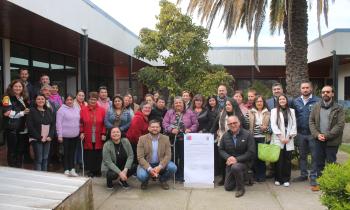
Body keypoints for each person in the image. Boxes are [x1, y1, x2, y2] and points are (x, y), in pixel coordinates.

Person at [309, 85, 345, 191]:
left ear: (332, 94)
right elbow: (311, 121)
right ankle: (320, 183)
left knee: (331, 162)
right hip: (318, 140)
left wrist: (326, 135)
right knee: (319, 163)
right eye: (323, 92)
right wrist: (317, 135)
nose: (325, 94)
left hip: (332, 141)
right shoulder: (316, 106)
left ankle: (331, 185)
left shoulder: (339, 108)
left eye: (328, 92)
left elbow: (340, 125)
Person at [211, 98, 247, 185]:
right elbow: (214, 127)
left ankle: (237, 179)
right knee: (222, 162)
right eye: (226, 105)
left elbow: (246, 129)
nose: (227, 106)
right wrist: (214, 134)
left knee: (234, 162)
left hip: (236, 143)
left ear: (234, 105)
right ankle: (224, 178)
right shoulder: (221, 115)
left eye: (229, 105)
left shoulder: (239, 116)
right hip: (222, 142)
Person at [163, 96, 198, 182]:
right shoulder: (169, 112)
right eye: (176, 103)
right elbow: (164, 123)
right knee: (173, 157)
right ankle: (174, 173)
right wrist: (171, 129)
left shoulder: (190, 112)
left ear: (183, 104)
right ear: (173, 104)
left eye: (180, 102)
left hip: (185, 140)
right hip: (172, 139)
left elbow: (195, 124)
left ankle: (181, 174)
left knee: (183, 157)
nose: (178, 104)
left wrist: (190, 129)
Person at [219, 116, 255, 198]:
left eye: (234, 123)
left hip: (244, 162)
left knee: (236, 167)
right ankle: (243, 177)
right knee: (228, 187)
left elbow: (251, 152)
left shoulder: (248, 134)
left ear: (239, 123)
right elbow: (221, 149)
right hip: (230, 162)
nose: (233, 125)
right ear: (228, 125)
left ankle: (240, 188)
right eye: (230, 124)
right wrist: (228, 157)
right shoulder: (225, 135)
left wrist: (236, 159)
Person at [292, 81, 320, 187]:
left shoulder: (317, 101)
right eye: (303, 88)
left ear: (311, 89)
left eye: (307, 87)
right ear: (300, 89)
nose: (305, 89)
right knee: (302, 156)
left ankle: (313, 177)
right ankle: (303, 175)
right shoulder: (296, 102)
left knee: (314, 156)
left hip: (313, 134)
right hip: (300, 134)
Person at [137, 120, 177, 190]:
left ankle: (163, 180)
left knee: (173, 167)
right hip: (147, 163)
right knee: (142, 176)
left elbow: (168, 155)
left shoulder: (166, 138)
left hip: (160, 163)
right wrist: (149, 169)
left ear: (160, 128)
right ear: (148, 128)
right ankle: (145, 181)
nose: (155, 129)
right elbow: (140, 157)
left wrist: (160, 167)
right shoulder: (142, 139)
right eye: (152, 127)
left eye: (157, 127)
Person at [2, 80, 30, 167]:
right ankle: (12, 168)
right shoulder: (7, 97)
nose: (18, 88)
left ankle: (18, 168)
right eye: (16, 86)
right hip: (12, 128)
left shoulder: (23, 98)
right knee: (12, 150)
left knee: (20, 150)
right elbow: (6, 113)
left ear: (23, 88)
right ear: (11, 87)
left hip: (22, 128)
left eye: (20, 86)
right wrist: (22, 113)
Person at [270, 94, 297, 187]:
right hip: (278, 139)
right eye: (280, 99)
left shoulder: (291, 111)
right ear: (278, 101)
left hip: (289, 139)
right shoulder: (274, 111)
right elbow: (273, 125)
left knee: (287, 160)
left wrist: (289, 138)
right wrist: (281, 137)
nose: (282, 100)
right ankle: (278, 178)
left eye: (283, 99)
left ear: (286, 100)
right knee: (278, 160)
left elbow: (294, 125)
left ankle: (286, 179)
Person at [80, 92, 106, 177]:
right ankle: (91, 170)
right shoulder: (83, 110)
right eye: (91, 99)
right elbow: (81, 123)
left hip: (98, 134)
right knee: (89, 153)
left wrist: (103, 133)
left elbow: (104, 123)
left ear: (97, 100)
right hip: (88, 133)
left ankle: (97, 170)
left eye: (95, 99)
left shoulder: (102, 110)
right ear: (88, 100)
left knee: (98, 152)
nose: (93, 101)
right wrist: (82, 132)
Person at [27, 94, 55, 171]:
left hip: (47, 139)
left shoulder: (49, 110)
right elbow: (30, 126)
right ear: (35, 101)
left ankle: (44, 176)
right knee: (38, 159)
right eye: (38, 99)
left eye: (42, 99)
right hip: (37, 138)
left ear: (45, 100)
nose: (40, 100)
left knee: (45, 158)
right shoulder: (32, 111)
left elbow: (53, 125)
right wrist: (39, 137)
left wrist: (50, 136)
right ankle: (38, 177)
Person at [248, 95, 271, 182]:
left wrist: (266, 128)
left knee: (262, 158)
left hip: (263, 138)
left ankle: (262, 176)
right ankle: (254, 175)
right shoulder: (250, 112)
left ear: (263, 102)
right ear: (255, 103)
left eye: (261, 101)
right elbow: (246, 125)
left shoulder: (268, 113)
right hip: (252, 138)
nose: (259, 103)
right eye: (257, 101)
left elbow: (272, 127)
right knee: (254, 157)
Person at [56, 94, 80, 177]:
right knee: (66, 153)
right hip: (65, 136)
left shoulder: (77, 109)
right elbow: (58, 123)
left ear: (73, 100)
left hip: (75, 135)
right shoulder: (61, 110)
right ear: (65, 101)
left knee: (72, 153)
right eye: (67, 100)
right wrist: (60, 135)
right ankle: (66, 169)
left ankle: (72, 169)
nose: (69, 101)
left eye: (71, 100)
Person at [207, 95, 220, 176]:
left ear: (216, 101)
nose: (212, 102)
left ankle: (216, 171)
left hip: (216, 133)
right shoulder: (207, 110)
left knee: (215, 153)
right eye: (210, 101)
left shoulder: (219, 110)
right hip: (208, 133)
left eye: (213, 100)